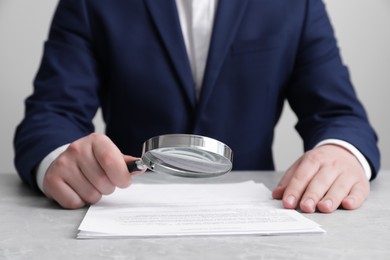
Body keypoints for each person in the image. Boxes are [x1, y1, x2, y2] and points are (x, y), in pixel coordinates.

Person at [14, 0, 380, 213]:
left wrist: (341, 152)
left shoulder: (295, 5)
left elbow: (339, 114)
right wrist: (59, 157)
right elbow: (51, 114)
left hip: (258, 220)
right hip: (125, 213)